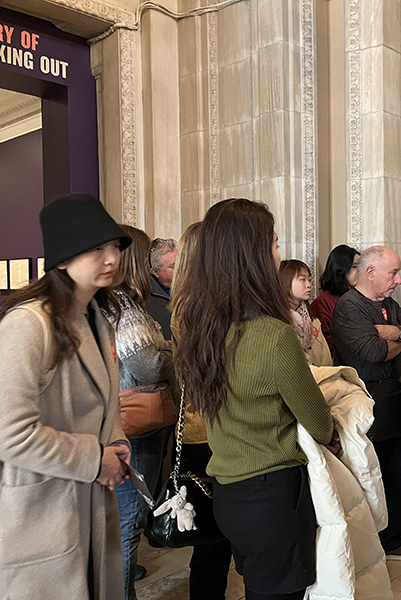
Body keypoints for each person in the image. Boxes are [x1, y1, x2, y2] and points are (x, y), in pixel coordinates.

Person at [0, 194, 132, 599]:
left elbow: (105, 402)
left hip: (80, 499)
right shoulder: (28, 324)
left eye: (114, 247)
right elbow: (7, 432)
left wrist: (117, 439)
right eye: (95, 248)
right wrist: (95, 459)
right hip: (33, 508)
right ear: (61, 258)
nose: (110, 258)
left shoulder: (95, 318)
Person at [173, 198, 338, 600]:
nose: (279, 254)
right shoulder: (273, 335)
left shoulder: (201, 329)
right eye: (274, 243)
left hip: (227, 490)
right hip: (273, 495)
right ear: (252, 255)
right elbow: (320, 423)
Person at [331, 246, 401, 561]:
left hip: (389, 395)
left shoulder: (387, 303)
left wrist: (395, 333)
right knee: (368, 473)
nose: (398, 280)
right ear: (370, 273)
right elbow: (372, 353)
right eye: (393, 273)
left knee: (395, 470)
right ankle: (372, 544)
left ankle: (392, 539)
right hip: (364, 398)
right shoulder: (350, 306)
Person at [110, 225, 177, 599]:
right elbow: (149, 366)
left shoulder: (112, 302)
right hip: (137, 422)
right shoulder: (127, 307)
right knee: (130, 517)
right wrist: (170, 351)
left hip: (123, 422)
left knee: (123, 516)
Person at [169, 222, 232, 600]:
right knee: (212, 539)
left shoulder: (187, 304)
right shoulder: (200, 309)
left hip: (203, 429)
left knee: (213, 538)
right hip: (206, 432)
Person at [279, 259, 332, 366]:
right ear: (285, 281)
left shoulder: (313, 321)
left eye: (310, 280)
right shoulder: (279, 322)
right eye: (302, 279)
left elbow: (327, 360)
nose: (309, 285)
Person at [311, 244, 359, 350]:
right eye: (355, 266)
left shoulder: (360, 297)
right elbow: (323, 341)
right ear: (341, 268)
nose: (360, 271)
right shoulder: (323, 302)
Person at [144, 237, 176, 340]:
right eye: (173, 267)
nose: (181, 269)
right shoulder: (146, 299)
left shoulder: (191, 286)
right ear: (155, 272)